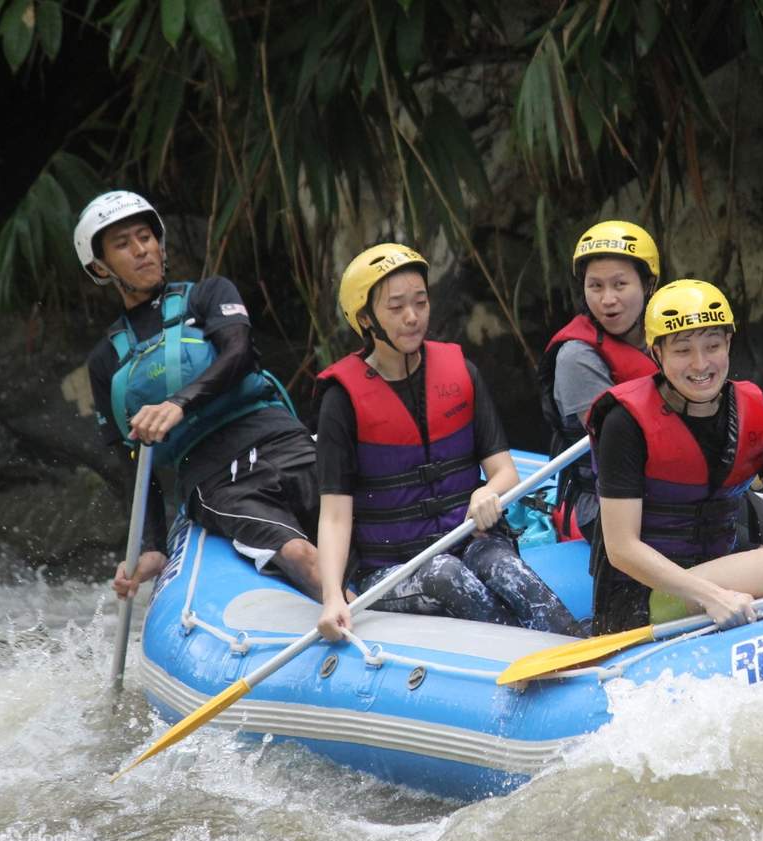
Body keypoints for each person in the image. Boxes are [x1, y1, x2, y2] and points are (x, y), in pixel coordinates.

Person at [314, 243, 582, 640]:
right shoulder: (341, 400)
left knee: (504, 568)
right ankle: (534, 651)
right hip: (392, 570)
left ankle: (576, 641)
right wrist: (332, 596)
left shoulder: (461, 373)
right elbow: (335, 515)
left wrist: (487, 493)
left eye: (420, 302)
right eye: (396, 307)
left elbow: (504, 472)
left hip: (469, 540)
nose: (412, 317)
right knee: (446, 575)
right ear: (367, 319)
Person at [586, 279, 763, 634]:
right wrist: (711, 595)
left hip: (722, 564)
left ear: (729, 344)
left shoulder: (751, 408)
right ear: (656, 353)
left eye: (712, 346)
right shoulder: (624, 422)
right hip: (645, 595)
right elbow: (621, 549)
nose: (700, 364)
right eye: (682, 350)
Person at [76, 191, 323, 601]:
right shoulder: (105, 361)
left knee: (367, 526)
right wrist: (152, 547)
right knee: (301, 554)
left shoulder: (208, 294)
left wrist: (179, 403)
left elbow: (239, 352)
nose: (142, 250)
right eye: (123, 244)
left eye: (145, 237)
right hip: (214, 477)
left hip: (282, 439)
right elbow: (130, 458)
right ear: (99, 266)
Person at [538, 220, 660, 541]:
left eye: (620, 285)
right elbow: (615, 449)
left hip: (678, 482)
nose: (607, 299)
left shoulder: (670, 339)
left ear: (648, 285)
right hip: (604, 500)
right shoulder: (576, 357)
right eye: (595, 286)